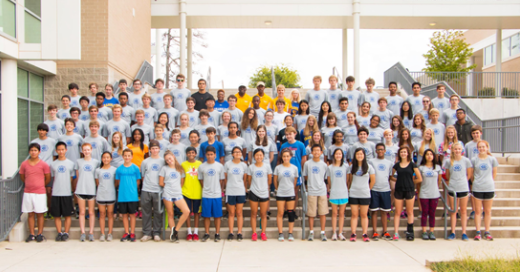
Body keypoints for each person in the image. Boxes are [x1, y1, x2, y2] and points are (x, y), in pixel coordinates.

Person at [21, 143, 51, 242]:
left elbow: (47, 178)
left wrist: (40, 185)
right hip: (28, 192)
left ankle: (40, 234)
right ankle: (32, 234)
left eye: (35, 150)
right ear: (29, 152)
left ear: (39, 152)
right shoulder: (24, 164)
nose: (33, 152)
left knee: (40, 213)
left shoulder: (44, 164)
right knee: (30, 213)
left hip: (40, 192)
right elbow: (22, 177)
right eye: (32, 150)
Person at [390, 146, 422, 241]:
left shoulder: (412, 165)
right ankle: (396, 232)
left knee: (410, 211)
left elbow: (419, 178)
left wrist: (411, 183)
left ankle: (410, 232)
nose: (403, 153)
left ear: (408, 153)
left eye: (405, 152)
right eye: (401, 152)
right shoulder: (396, 165)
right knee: (397, 212)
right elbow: (392, 177)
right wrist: (399, 180)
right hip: (399, 190)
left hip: (409, 190)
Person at [159, 150, 190, 243]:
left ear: (173, 157)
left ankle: (175, 230)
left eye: (170, 158)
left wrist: (175, 188)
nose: (169, 161)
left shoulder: (180, 169)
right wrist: (169, 187)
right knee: (170, 214)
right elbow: (161, 182)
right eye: (167, 160)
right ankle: (173, 235)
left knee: (186, 211)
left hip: (178, 194)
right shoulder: (164, 169)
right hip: (167, 194)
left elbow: (182, 182)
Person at [444, 142, 473, 241]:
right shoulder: (449, 161)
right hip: (453, 188)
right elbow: (447, 175)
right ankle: (452, 232)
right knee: (453, 210)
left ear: (462, 150)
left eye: (459, 149)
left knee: (463, 211)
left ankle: (464, 232)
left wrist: (463, 181)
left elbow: (469, 175)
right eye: (455, 149)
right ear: (452, 150)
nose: (457, 151)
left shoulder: (466, 161)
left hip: (463, 187)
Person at [348, 148, 376, 243]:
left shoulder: (369, 167)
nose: (359, 155)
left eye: (361, 154)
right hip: (354, 193)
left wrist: (368, 189)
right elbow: (350, 180)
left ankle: (365, 233)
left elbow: (373, 180)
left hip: (365, 194)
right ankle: (353, 233)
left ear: (364, 155)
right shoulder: (351, 167)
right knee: (354, 214)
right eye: (358, 154)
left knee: (364, 214)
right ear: (355, 156)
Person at [471, 140, 497, 241]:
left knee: (487, 211)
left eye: (483, 147)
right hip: (477, 187)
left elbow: (494, 174)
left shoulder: (492, 159)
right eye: (480, 147)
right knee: (477, 211)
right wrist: (476, 182)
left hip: (489, 187)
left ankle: (487, 231)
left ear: (487, 148)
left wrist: (488, 181)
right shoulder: (474, 160)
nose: (482, 149)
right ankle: (478, 232)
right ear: (477, 148)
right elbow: (472, 174)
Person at [139, 141, 165, 242]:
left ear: (159, 149)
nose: (154, 150)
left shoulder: (163, 161)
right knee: (146, 212)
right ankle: (147, 233)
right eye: (152, 148)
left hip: (158, 190)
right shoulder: (145, 162)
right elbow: (143, 176)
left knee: (158, 212)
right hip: (146, 189)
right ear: (150, 149)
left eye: (156, 148)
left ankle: (156, 233)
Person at [198, 146, 225, 242]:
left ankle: (217, 234)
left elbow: (222, 180)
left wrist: (220, 191)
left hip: (217, 194)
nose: (210, 156)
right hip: (206, 195)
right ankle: (207, 233)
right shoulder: (202, 166)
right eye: (208, 154)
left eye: (211, 154)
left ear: (215, 155)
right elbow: (201, 180)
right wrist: (205, 188)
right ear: (205, 155)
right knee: (206, 215)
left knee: (217, 215)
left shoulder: (220, 166)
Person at [74, 143, 100, 242]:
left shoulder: (96, 162)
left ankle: (91, 233)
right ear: (82, 151)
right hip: (81, 189)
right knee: (82, 212)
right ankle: (83, 232)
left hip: (91, 189)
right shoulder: (78, 162)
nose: (86, 151)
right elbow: (78, 176)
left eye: (88, 150)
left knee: (91, 212)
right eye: (84, 150)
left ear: (91, 150)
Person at [50, 142, 75, 242]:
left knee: (67, 214)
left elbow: (71, 178)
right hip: (56, 193)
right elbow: (53, 177)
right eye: (59, 150)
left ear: (66, 150)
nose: (61, 151)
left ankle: (66, 232)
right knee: (57, 215)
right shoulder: (53, 164)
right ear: (56, 151)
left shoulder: (71, 164)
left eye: (62, 149)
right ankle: (59, 232)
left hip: (67, 193)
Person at [303, 144, 329, 241]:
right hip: (311, 190)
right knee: (311, 213)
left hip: (322, 190)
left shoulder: (324, 165)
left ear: (321, 152)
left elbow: (325, 178)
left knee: (322, 212)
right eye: (314, 150)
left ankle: (323, 232)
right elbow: (305, 176)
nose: (316, 152)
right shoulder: (307, 164)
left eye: (318, 150)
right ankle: (311, 232)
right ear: (311, 152)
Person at [115, 148, 142, 242]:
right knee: (124, 215)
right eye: (125, 155)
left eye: (129, 155)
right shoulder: (119, 169)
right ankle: (126, 232)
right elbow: (118, 181)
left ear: (132, 156)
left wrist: (133, 189)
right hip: (122, 196)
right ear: (122, 156)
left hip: (132, 195)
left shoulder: (135, 168)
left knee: (132, 215)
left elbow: (138, 181)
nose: (127, 157)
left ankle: (132, 232)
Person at [246, 149, 273, 241]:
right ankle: (254, 233)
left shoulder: (267, 166)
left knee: (263, 214)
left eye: (260, 155)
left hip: (264, 193)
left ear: (263, 156)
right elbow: (249, 180)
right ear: (254, 156)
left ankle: (263, 232)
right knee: (253, 213)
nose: (259, 157)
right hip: (253, 192)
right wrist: (253, 187)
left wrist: (265, 188)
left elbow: (269, 180)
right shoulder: (251, 167)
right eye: (257, 155)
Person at [368, 144, 393, 241]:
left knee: (384, 212)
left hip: (385, 189)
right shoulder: (371, 162)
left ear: (385, 150)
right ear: (376, 151)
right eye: (378, 150)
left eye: (382, 149)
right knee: (374, 211)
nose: (380, 151)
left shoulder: (389, 163)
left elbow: (390, 176)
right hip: (374, 189)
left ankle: (385, 231)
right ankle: (375, 231)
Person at [273, 148, 299, 242]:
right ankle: (280, 233)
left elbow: (295, 181)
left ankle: (290, 233)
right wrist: (277, 189)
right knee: (280, 213)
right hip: (280, 192)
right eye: (284, 156)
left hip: (290, 192)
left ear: (291, 156)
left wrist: (290, 188)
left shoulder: (294, 168)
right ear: (282, 157)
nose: (286, 158)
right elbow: (275, 180)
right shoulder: (278, 168)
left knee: (290, 212)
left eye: (288, 156)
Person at [31, 123, 57, 214]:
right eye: (40, 130)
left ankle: (49, 210)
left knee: (49, 191)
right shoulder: (34, 142)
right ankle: (41, 210)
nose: (42, 132)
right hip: (37, 170)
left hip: (49, 170)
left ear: (46, 131)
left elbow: (54, 155)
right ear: (38, 131)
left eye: (44, 130)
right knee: (40, 191)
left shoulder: (52, 141)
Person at [223, 147, 248, 241]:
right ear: (232, 154)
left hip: (240, 191)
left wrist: (244, 189)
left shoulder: (244, 165)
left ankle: (239, 232)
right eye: (235, 152)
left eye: (239, 152)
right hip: (230, 191)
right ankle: (231, 232)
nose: (237, 153)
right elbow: (225, 178)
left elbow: (245, 179)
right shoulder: (227, 164)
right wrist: (227, 187)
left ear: (241, 153)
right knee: (231, 213)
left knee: (239, 212)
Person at [417, 149, 442, 240]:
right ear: (424, 156)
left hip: (434, 193)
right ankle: (424, 231)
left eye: (431, 154)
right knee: (424, 212)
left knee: (432, 213)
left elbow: (439, 180)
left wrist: (435, 188)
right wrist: (420, 191)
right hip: (424, 193)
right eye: (427, 154)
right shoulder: (421, 168)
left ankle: (431, 231)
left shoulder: (437, 167)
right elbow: (418, 182)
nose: (429, 156)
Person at [327, 148, 349, 241]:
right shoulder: (330, 167)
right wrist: (332, 189)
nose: (338, 155)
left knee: (341, 213)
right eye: (336, 154)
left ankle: (340, 232)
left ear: (342, 155)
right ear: (334, 155)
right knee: (334, 213)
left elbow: (348, 179)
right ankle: (334, 233)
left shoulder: (346, 166)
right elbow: (329, 181)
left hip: (343, 192)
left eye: (340, 154)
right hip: (334, 193)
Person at [181, 147, 203, 241]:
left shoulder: (200, 164)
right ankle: (189, 232)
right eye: (189, 152)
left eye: (193, 152)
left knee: (197, 213)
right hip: (186, 192)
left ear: (195, 154)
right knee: (187, 213)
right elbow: (182, 178)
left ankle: (196, 232)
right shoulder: (183, 164)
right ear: (186, 154)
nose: (191, 154)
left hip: (197, 192)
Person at [95, 151, 117, 242]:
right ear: (101, 159)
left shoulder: (114, 170)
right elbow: (97, 183)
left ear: (111, 159)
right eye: (104, 157)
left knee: (110, 214)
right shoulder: (98, 170)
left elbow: (116, 182)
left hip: (111, 194)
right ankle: (102, 233)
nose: (106, 159)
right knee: (102, 214)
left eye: (108, 157)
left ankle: (110, 233)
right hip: (101, 194)